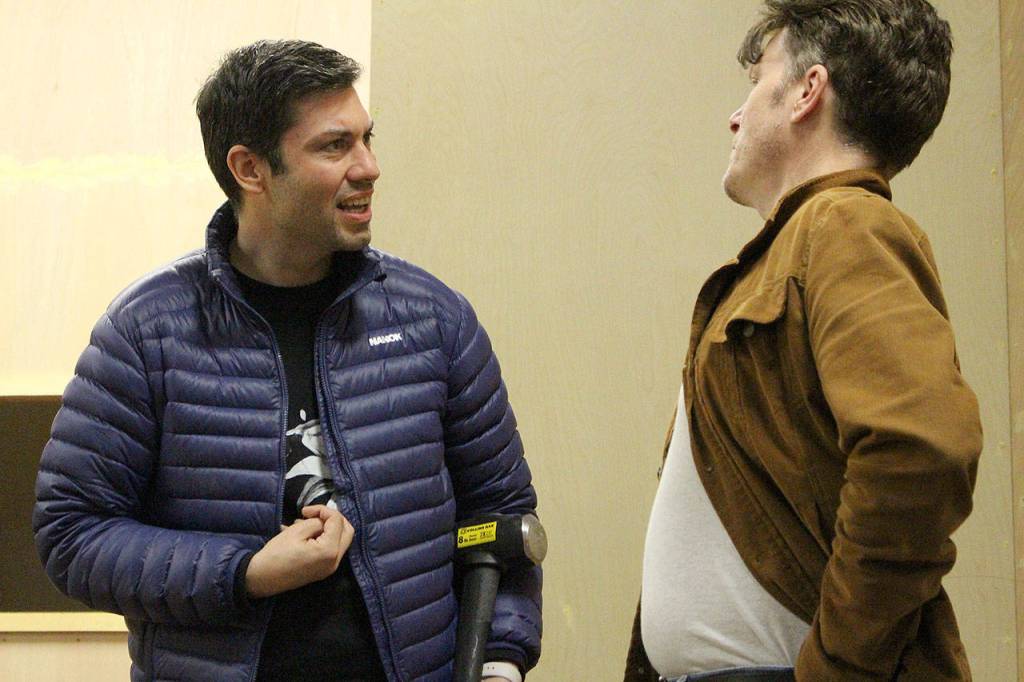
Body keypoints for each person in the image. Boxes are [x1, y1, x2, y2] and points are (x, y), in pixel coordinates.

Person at [34, 39, 540, 682]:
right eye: (334, 146)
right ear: (250, 169)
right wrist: (244, 573)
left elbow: (502, 519)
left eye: (366, 139)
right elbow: (73, 536)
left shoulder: (434, 319)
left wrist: (500, 661)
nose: (369, 167)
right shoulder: (146, 333)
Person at [626, 1, 981, 680]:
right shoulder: (803, 241)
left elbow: (921, 454)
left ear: (807, 91)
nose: (735, 116)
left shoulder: (845, 225)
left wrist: (836, 668)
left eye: (757, 81)